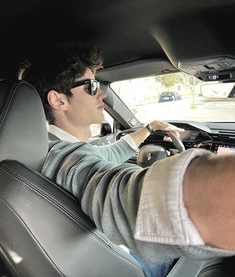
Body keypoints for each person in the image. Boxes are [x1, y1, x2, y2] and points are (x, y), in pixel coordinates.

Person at [19, 50, 235, 267]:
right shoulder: (66, 158)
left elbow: (106, 154)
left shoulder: (48, 147)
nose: (102, 93)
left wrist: (151, 127)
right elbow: (120, 197)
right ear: (58, 100)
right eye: (91, 86)